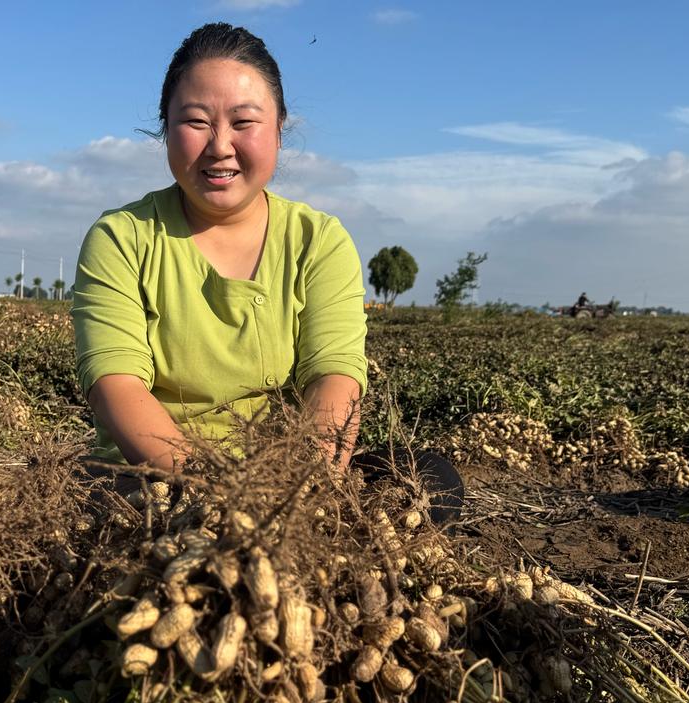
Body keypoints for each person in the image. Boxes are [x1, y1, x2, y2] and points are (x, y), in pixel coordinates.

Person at [72, 22, 462, 522]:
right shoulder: (121, 237)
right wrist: (216, 496)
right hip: (154, 477)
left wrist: (298, 486)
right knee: (122, 511)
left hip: (288, 475)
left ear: (279, 129)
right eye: (196, 121)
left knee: (429, 479)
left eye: (243, 122)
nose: (220, 145)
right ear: (166, 127)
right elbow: (116, 384)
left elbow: (333, 375)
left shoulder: (318, 240)